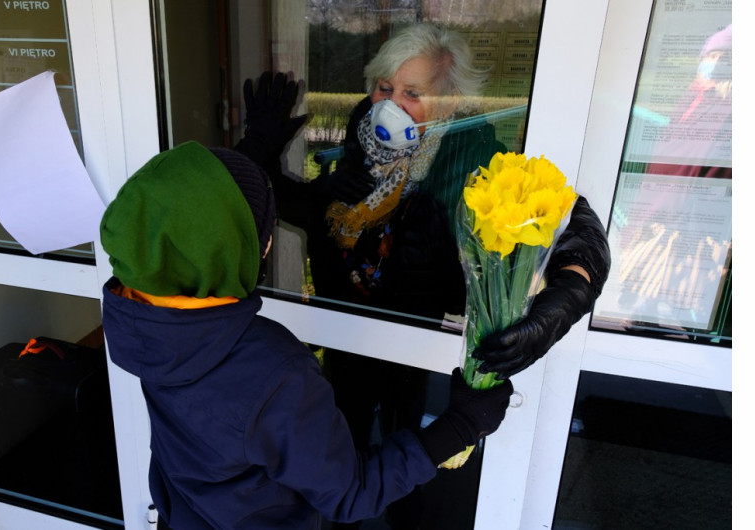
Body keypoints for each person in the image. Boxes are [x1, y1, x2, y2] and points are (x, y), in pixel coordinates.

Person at [236, 24, 611, 528]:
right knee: (339, 438)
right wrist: (261, 152)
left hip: (414, 337)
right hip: (344, 329)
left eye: (413, 93)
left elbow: (572, 224)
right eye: (384, 88)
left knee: (405, 439)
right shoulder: (362, 141)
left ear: (451, 101)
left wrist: (561, 304)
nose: (390, 105)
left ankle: (406, 513)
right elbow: (308, 212)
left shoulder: (474, 156)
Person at [99, 140, 515, 529]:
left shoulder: (144, 323)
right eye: (262, 234)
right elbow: (349, 493)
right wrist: (459, 426)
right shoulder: (273, 372)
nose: (267, 244)